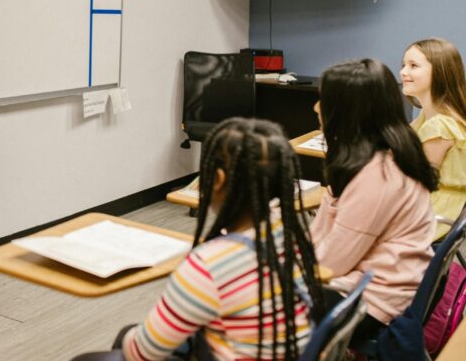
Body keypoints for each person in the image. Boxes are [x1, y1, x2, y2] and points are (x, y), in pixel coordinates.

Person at [121, 118, 325, 361]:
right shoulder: (287, 232)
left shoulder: (207, 265)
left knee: (121, 341)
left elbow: (142, 353)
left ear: (217, 180)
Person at [311, 59, 438, 345]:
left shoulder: (377, 175)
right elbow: (323, 237)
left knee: (248, 304)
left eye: (323, 101)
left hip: (373, 301)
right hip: (379, 282)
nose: (316, 108)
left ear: (346, 112)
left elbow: (331, 264)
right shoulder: (385, 154)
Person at [401, 38, 466, 240]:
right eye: (404, 65)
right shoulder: (428, 117)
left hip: (432, 215)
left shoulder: (439, 126)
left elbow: (418, 183)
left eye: (413, 66)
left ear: (439, 72)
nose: (403, 72)